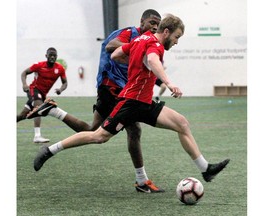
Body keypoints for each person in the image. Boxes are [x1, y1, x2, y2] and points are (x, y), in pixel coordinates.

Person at [32, 14, 230, 189]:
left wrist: (136, 61)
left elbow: (117, 54)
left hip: (144, 102)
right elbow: (152, 61)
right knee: (98, 136)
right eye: (177, 37)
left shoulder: (140, 39)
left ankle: (206, 169)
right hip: (131, 102)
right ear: (167, 31)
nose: (177, 42)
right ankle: (49, 150)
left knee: (182, 123)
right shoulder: (155, 44)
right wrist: (168, 83)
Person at [27, 9, 164, 193]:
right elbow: (110, 45)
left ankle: (53, 111)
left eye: (158, 24)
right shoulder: (131, 33)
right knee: (133, 129)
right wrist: (135, 48)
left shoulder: (149, 43)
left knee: (92, 130)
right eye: (152, 22)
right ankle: (141, 181)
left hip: (116, 88)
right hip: (112, 86)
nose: (155, 26)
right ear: (142, 21)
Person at [17, 47, 67, 143]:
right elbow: (24, 73)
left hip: (43, 94)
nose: (52, 57)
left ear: (57, 57)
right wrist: (24, 84)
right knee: (39, 107)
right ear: (46, 56)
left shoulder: (60, 69)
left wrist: (60, 89)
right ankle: (37, 136)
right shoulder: (39, 65)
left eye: (54, 55)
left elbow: (65, 83)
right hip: (33, 90)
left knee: (22, 115)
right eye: (50, 55)